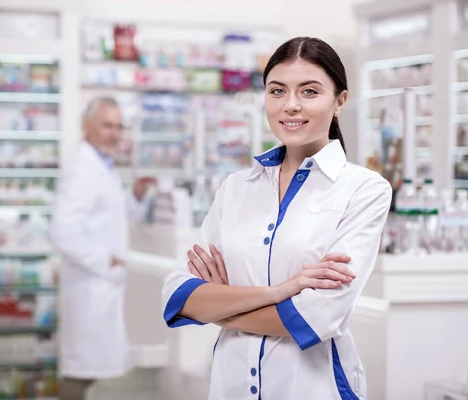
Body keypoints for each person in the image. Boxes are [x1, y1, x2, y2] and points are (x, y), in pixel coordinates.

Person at [161, 37, 392, 400]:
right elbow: (177, 294)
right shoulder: (236, 187)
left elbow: (318, 316)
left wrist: (221, 307)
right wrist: (280, 291)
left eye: (310, 91)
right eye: (278, 91)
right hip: (231, 387)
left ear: (340, 102)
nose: (291, 105)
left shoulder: (364, 190)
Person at [51, 97, 154, 400]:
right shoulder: (82, 170)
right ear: (87, 127)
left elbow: (110, 218)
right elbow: (63, 231)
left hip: (100, 287)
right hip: (90, 285)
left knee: (90, 370)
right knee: (81, 372)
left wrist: (134, 198)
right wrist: (104, 262)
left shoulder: (102, 165)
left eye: (119, 127)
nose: (114, 133)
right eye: (107, 125)